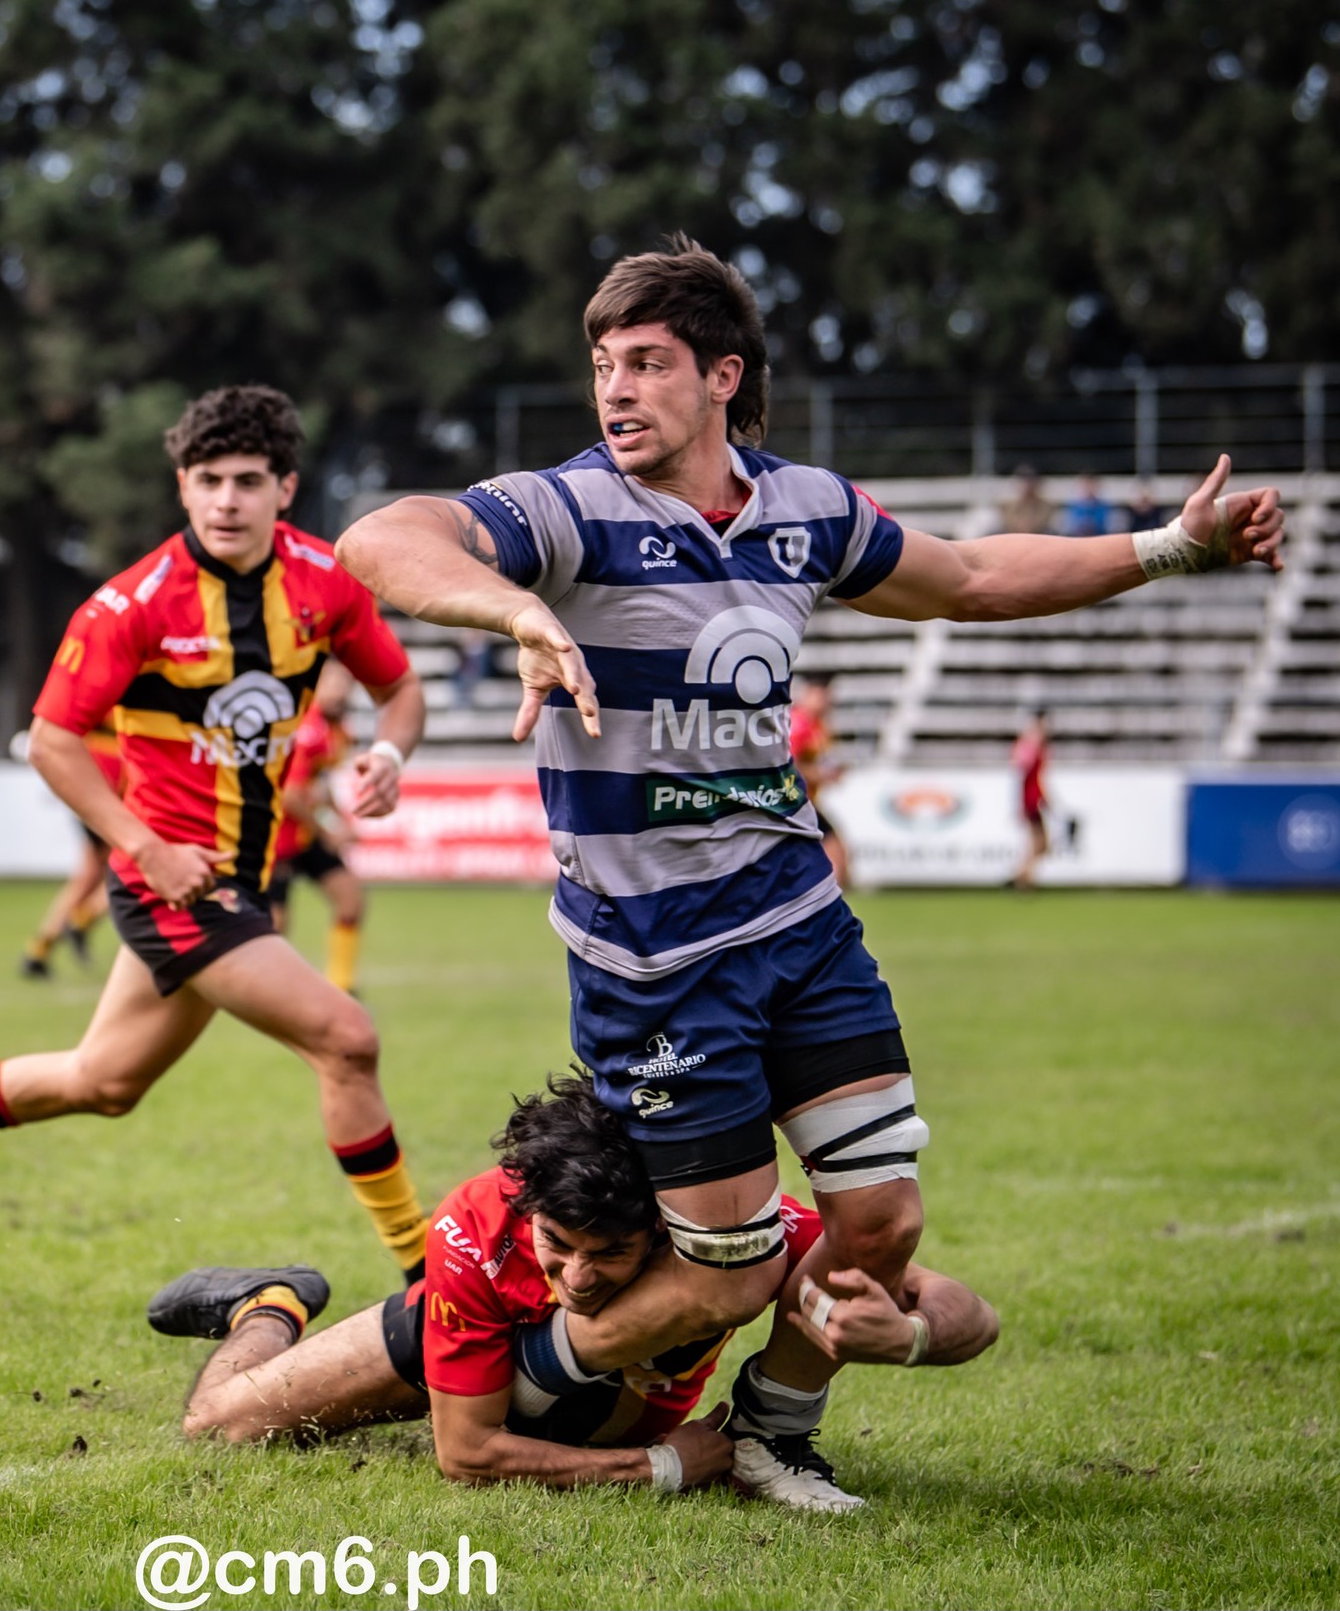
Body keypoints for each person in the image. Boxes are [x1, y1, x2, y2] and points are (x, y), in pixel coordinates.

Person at [335, 234, 1282, 1507]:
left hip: (797, 923)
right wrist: (507, 608)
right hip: (653, 962)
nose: (615, 390)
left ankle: (774, 1433)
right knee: (723, 1263)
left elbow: (976, 577)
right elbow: (383, 536)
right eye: (603, 364)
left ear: (724, 375)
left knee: (883, 1224)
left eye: (649, 363)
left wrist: (1169, 546)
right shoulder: (566, 510)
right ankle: (513, 1383)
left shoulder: (806, 513)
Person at [0, 386, 435, 1279]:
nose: (225, 500)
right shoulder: (133, 605)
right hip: (172, 879)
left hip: (237, 874)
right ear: (182, 488)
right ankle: (427, 1277)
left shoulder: (327, 582)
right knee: (346, 1037)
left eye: (246, 480)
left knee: (105, 1081)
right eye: (206, 481)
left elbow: (402, 689)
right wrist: (143, 844)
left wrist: (390, 753)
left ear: (286, 487)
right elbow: (51, 741)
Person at [151, 1072, 998, 1493]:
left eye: (611, 1253)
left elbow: (973, 1314)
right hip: (450, 1347)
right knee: (219, 1425)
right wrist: (661, 1465)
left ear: (666, 1231)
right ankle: (269, 1301)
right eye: (558, 1244)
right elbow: (467, 1452)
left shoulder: (730, 1236)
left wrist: (911, 1335)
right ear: (528, 1213)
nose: (579, 1276)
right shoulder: (476, 1231)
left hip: (596, 1392)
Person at [268, 660, 368, 993]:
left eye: (345, 681)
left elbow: (318, 786)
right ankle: (269, 992)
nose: (340, 689)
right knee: (275, 926)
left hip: (307, 833)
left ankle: (342, 986)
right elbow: (292, 796)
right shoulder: (305, 728)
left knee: (350, 900)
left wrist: (340, 820)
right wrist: (329, 831)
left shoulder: (338, 729)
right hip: (278, 836)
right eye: (332, 682)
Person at [19, 716, 123, 978]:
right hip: (114, 772)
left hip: (92, 770)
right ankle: (81, 920)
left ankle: (38, 950)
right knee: (128, 872)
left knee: (88, 877)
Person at [788, 678, 847, 888]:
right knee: (835, 851)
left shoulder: (819, 725)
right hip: (794, 800)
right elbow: (788, 766)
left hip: (807, 800)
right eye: (821, 694)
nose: (827, 700)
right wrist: (819, 775)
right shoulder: (800, 724)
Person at [1010, 711, 1051, 890]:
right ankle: (1022, 877)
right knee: (1039, 843)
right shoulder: (1031, 743)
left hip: (1033, 798)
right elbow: (1023, 773)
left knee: (1038, 844)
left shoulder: (1036, 744)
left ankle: (1022, 875)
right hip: (1031, 800)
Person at [999, 466, 1054, 535]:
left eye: (1030, 481)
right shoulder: (1008, 505)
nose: (1027, 485)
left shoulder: (1046, 505)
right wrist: (1020, 526)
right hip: (1015, 535)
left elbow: (1044, 520)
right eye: (1023, 482)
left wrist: (1029, 527)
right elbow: (1009, 520)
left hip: (1038, 536)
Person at [1061, 473, 1111, 538]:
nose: (1088, 489)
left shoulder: (1105, 508)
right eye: (1085, 486)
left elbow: (1106, 528)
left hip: (1098, 540)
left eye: (1091, 486)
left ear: (1097, 487)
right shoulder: (1070, 509)